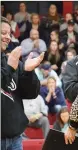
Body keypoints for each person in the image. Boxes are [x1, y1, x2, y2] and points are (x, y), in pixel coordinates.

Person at [1, 16, 44, 150]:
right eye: (3, 33)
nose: (8, 37)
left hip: (15, 139)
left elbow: (31, 93)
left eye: (9, 33)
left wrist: (28, 72)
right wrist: (9, 68)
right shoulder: (11, 63)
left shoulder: (12, 61)